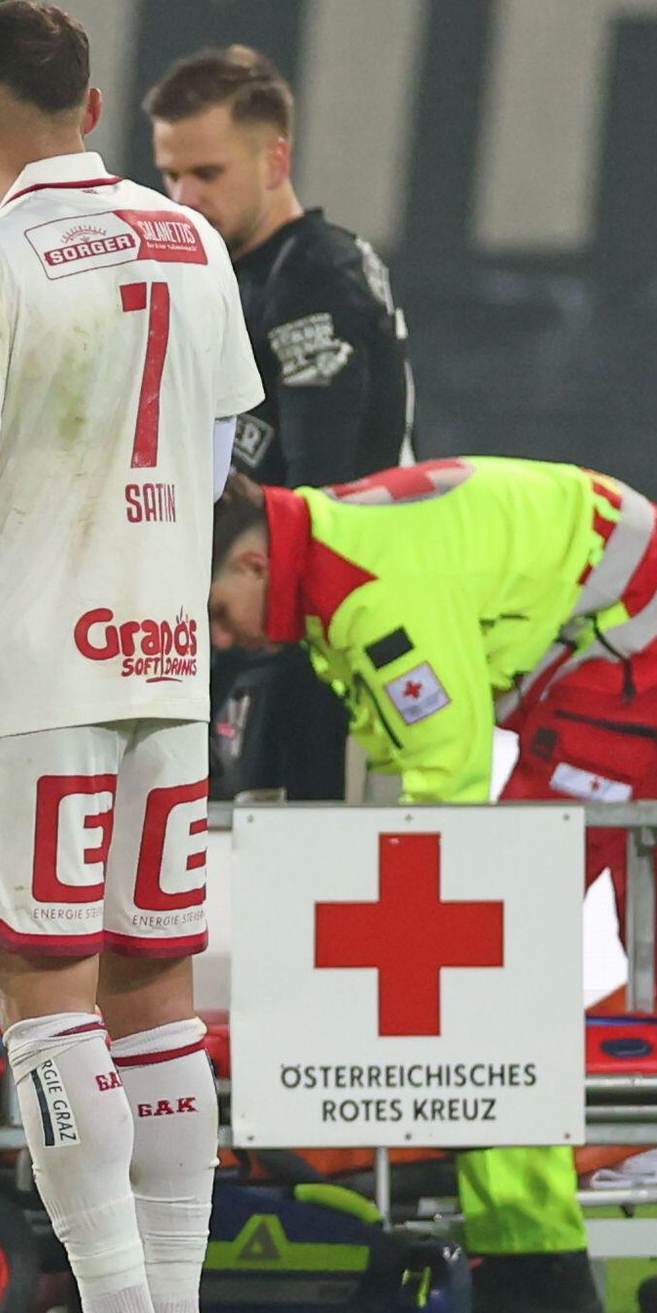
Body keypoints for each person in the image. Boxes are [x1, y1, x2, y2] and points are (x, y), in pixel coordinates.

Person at [0, 0, 262, 1313]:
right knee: (153, 989)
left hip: (30, 672)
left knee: (44, 992)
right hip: (162, 659)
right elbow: (213, 456)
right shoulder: (190, 239)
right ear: (91, 107)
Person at [205, 455, 657, 1313]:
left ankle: (536, 1260)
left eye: (217, 615)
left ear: (251, 566)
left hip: (642, 642)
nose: (223, 641)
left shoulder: (369, 591)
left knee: (490, 956)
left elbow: (446, 775)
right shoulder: (334, 548)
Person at [144, 45, 410, 807]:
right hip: (249, 621)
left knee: (286, 869)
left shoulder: (315, 276)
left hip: (311, 638)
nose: (184, 197)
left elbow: (324, 493)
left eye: (207, 174)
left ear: (274, 159)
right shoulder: (228, 277)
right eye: (170, 175)